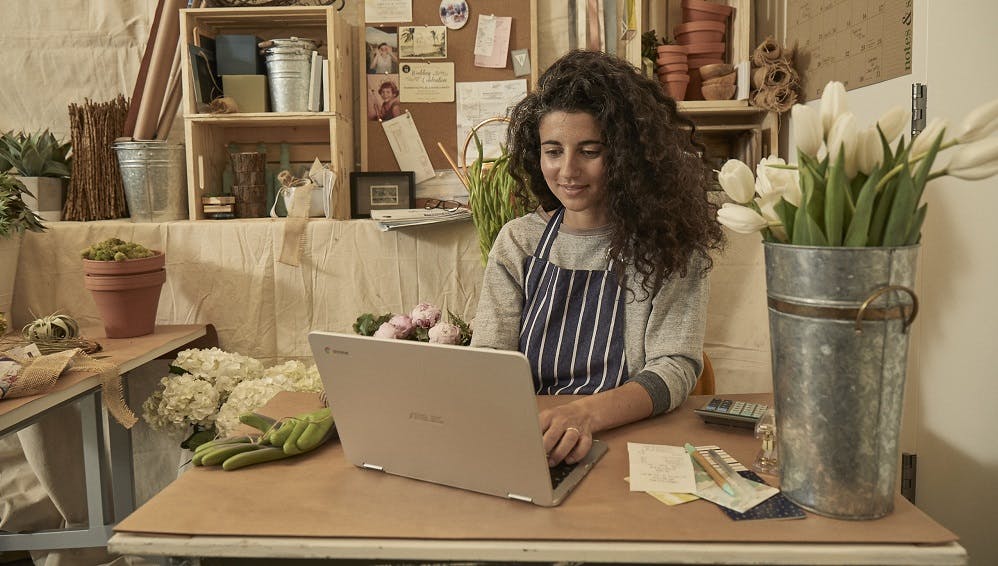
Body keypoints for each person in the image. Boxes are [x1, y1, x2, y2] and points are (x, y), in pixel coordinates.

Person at [470, 50, 724, 467]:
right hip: (535, 440)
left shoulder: (670, 247)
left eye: (589, 151)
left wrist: (585, 414)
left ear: (627, 157)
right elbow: (490, 360)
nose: (567, 170)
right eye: (553, 151)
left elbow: (675, 367)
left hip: (630, 440)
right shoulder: (519, 242)